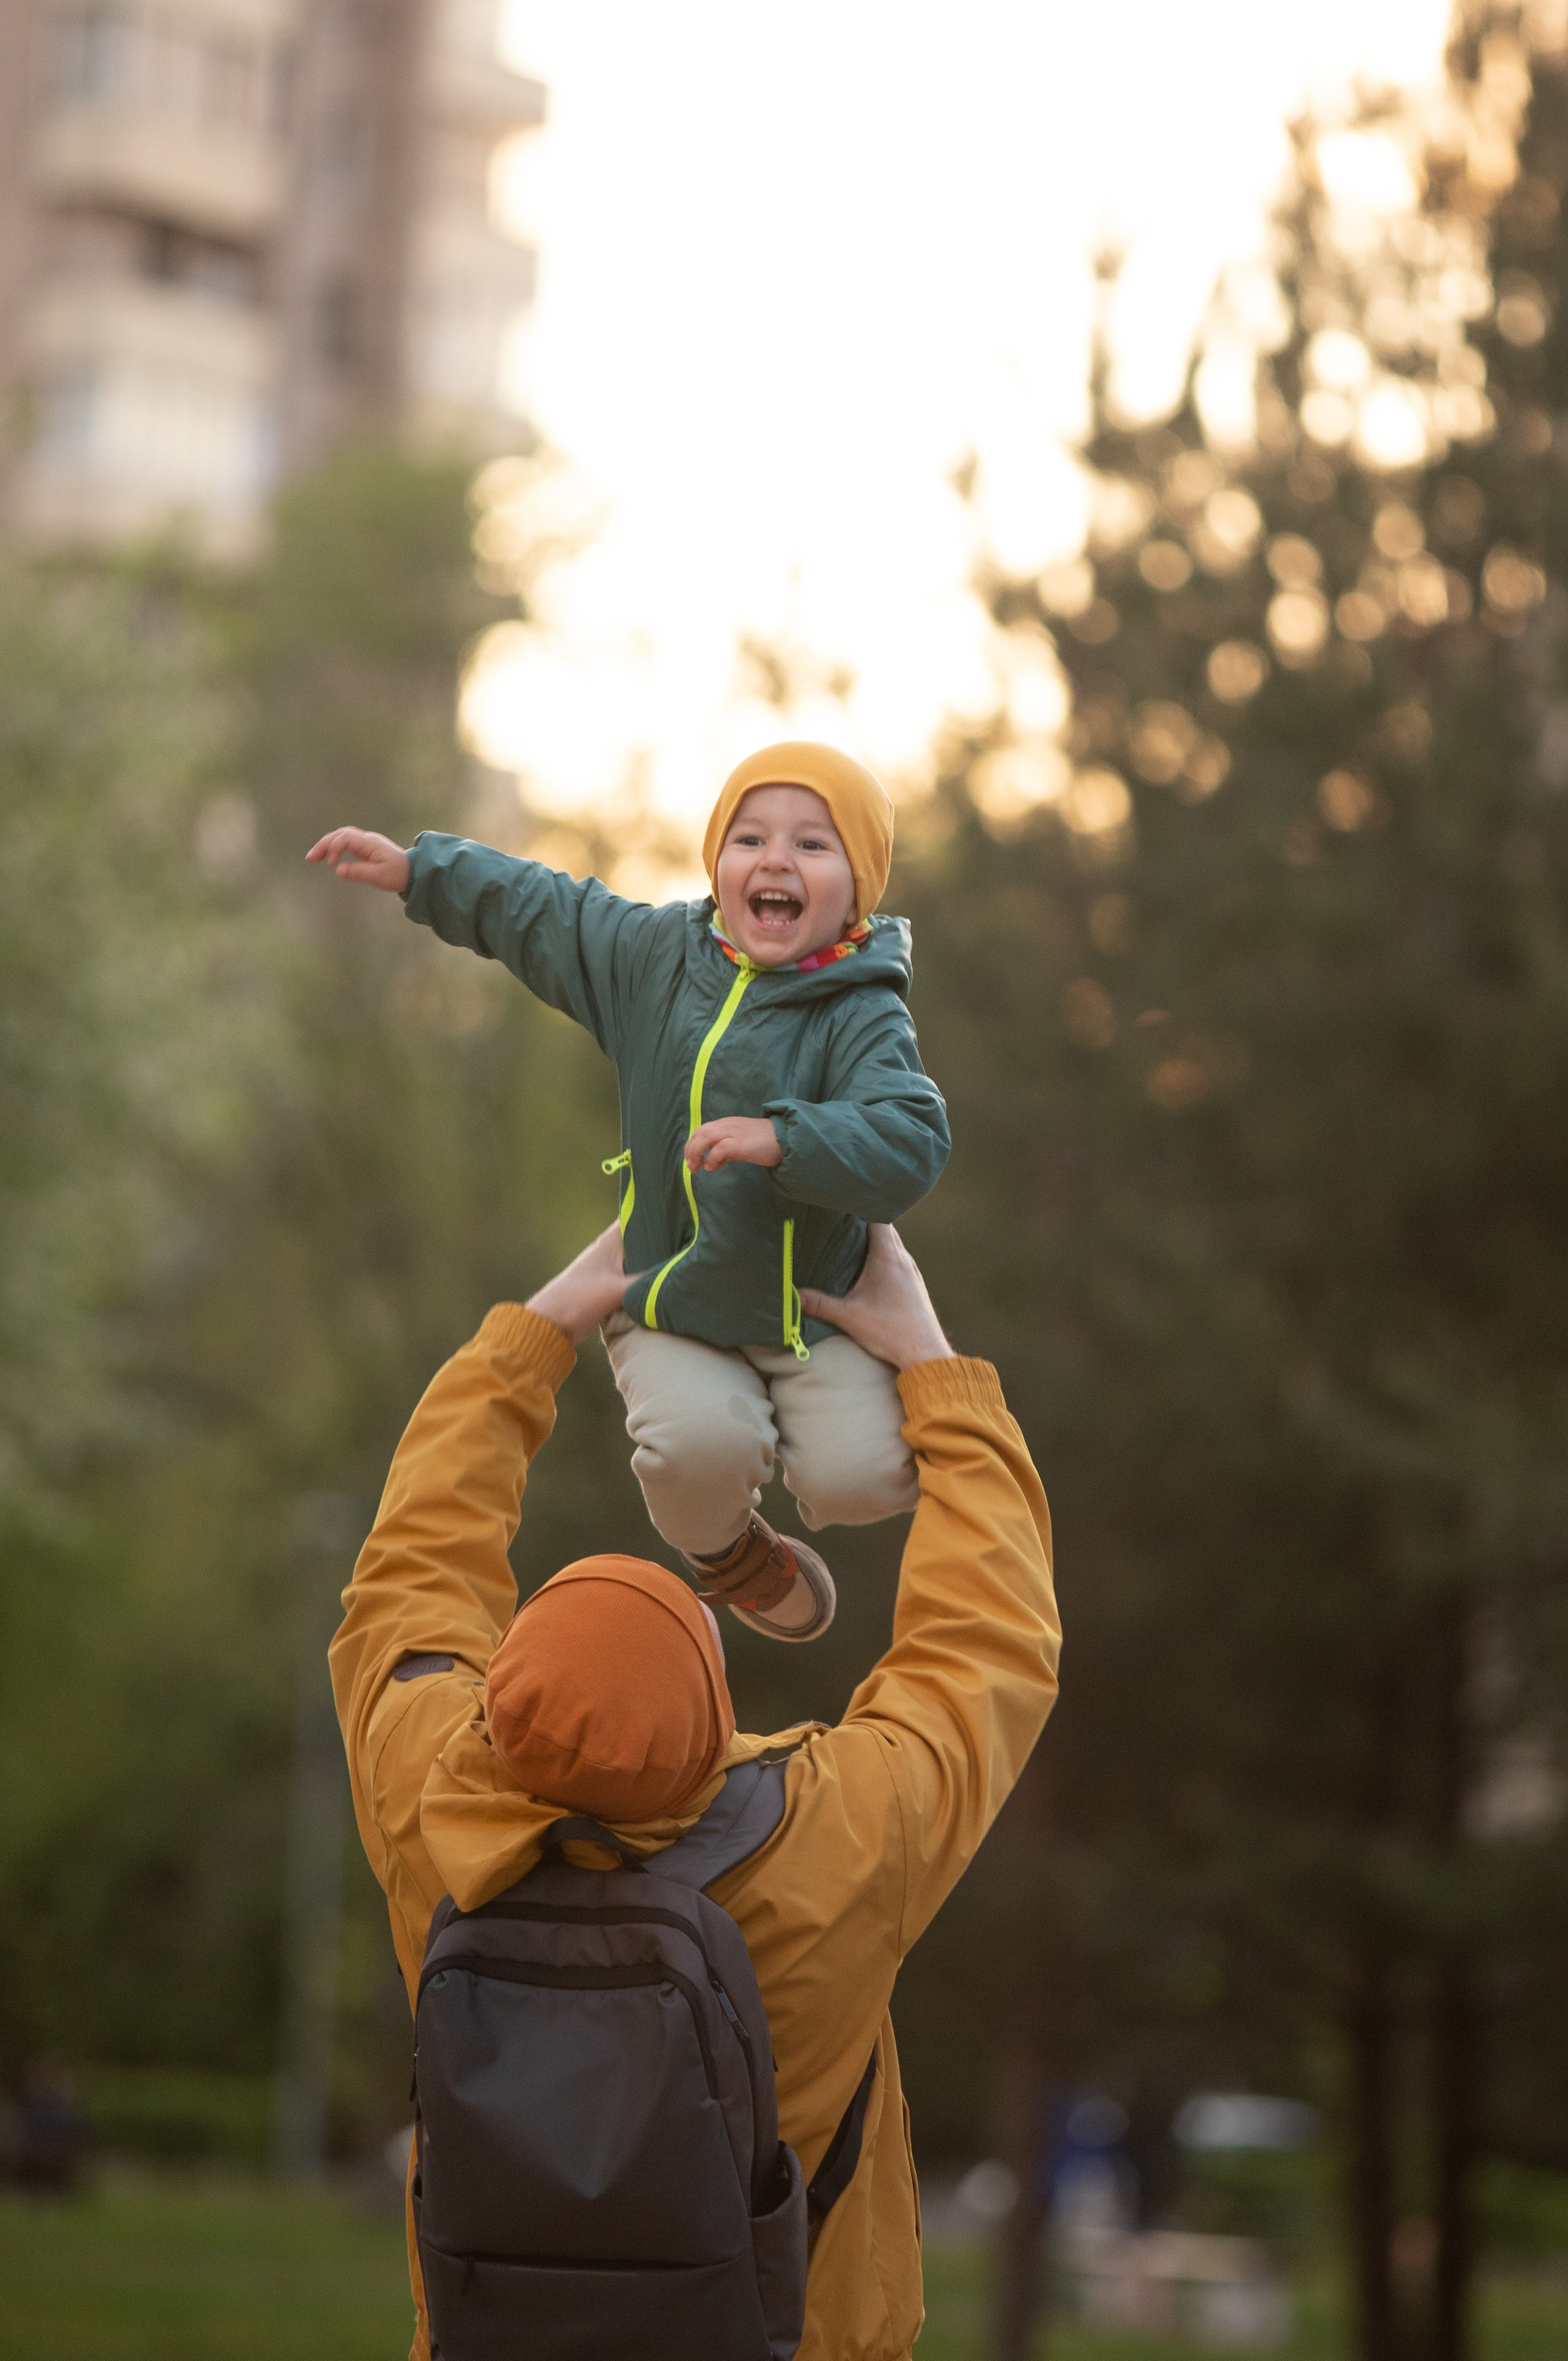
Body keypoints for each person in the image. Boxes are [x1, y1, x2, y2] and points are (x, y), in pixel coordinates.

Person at [330, 1220, 1060, 2361]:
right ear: (716, 1726)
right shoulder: (832, 1840)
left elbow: (408, 1578)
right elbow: (987, 1645)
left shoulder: (429, 1799)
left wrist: (531, 1340)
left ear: (498, 1699)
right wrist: (930, 1361)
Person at [308, 742, 949, 1643]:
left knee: (870, 1483)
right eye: (749, 837)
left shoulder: (863, 1010)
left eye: (813, 846)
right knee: (695, 1460)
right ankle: (732, 1558)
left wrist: (786, 1139)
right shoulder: (657, 960)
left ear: (858, 886)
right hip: (674, 1296)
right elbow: (546, 913)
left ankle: (793, 1481)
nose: (774, 860)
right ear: (717, 862)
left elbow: (913, 1140)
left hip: (816, 1310)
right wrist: (422, 871)